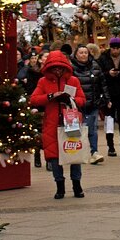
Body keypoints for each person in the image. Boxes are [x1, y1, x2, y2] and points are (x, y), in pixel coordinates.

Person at [29, 51, 87, 199]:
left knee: (74, 154)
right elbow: (34, 99)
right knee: (55, 157)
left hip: (71, 121)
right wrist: (50, 97)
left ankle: (77, 185)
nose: (58, 71)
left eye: (60, 68)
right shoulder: (43, 82)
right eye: (54, 68)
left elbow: (82, 99)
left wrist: (70, 99)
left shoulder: (73, 81)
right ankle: (59, 186)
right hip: (52, 124)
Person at [97, 37, 120, 158]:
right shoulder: (103, 58)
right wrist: (109, 73)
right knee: (109, 121)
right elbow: (99, 75)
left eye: (117, 48)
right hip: (109, 94)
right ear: (110, 47)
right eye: (113, 48)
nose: (115, 50)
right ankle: (110, 146)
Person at [70, 44, 105, 164]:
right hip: (77, 105)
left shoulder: (95, 65)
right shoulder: (71, 68)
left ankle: (94, 152)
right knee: (76, 130)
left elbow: (102, 82)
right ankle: (78, 153)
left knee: (92, 129)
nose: (84, 55)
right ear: (76, 54)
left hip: (92, 103)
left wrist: (106, 98)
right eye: (81, 52)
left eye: (86, 52)